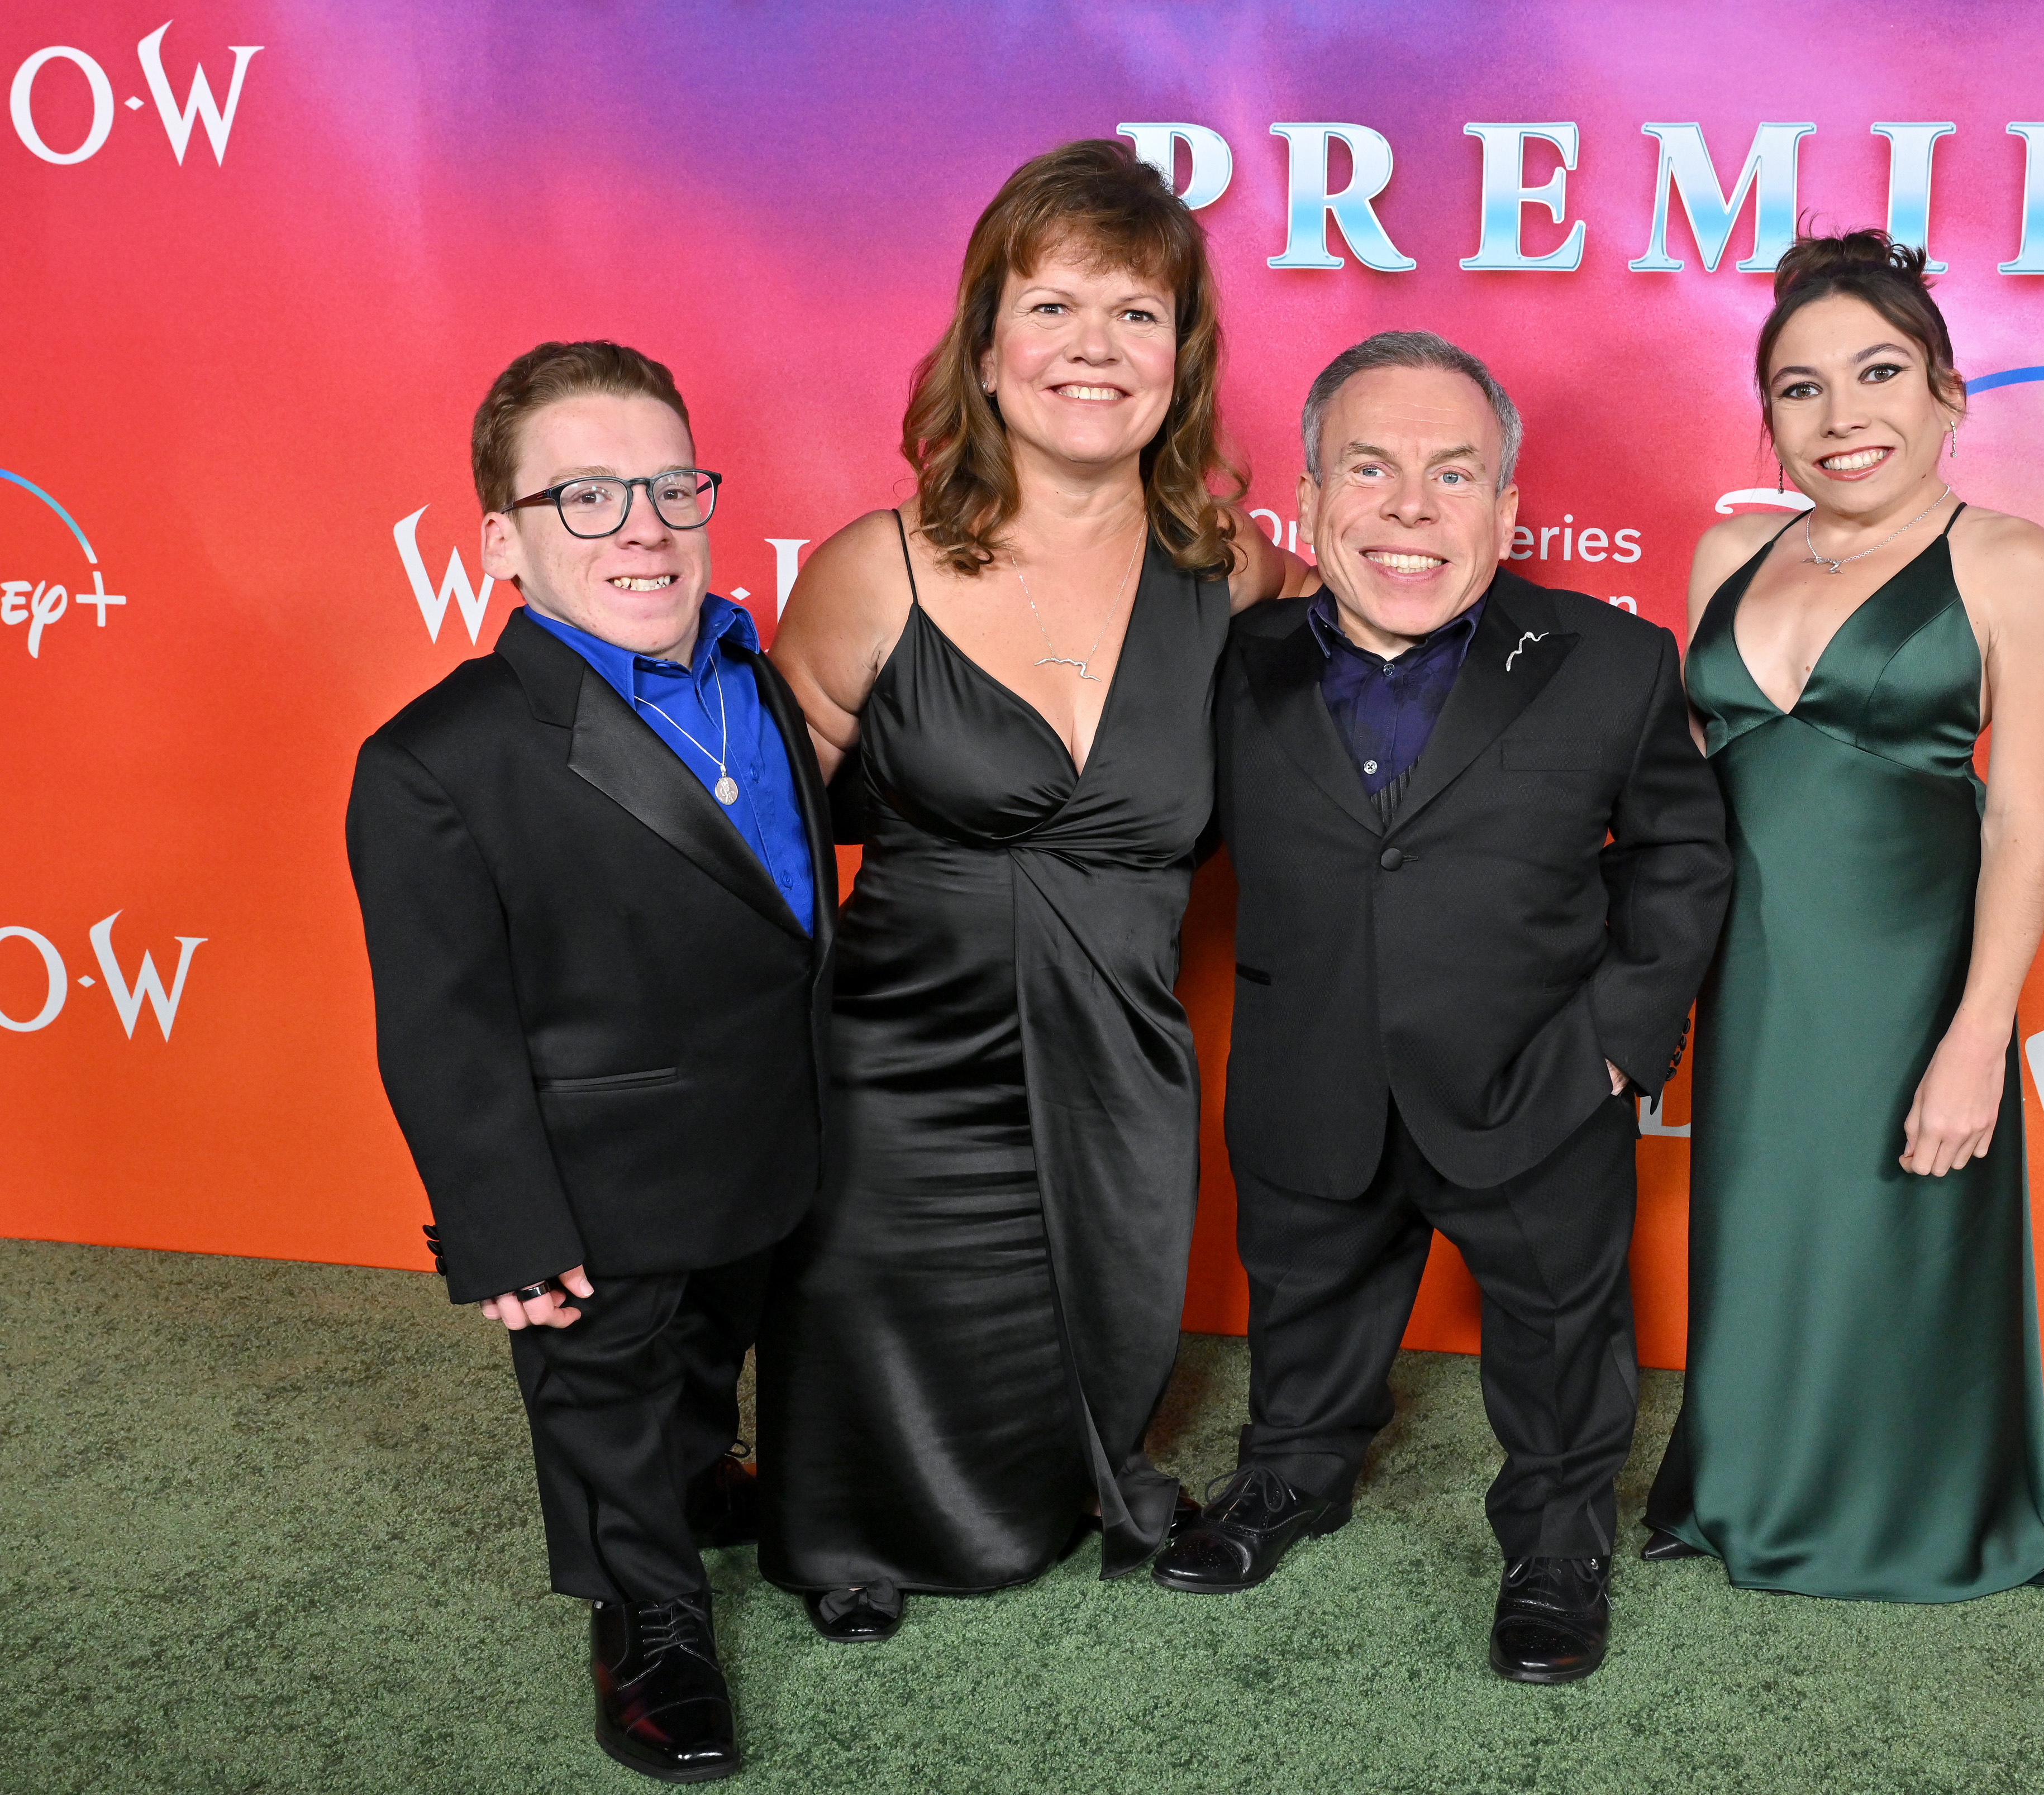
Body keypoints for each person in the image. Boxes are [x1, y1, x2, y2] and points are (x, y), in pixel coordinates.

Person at [758, 140, 1309, 1643]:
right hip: (893, 1040)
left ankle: (1063, 1478)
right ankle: (851, 1526)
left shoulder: (1237, 578)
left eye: (1137, 315)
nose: (1093, 347)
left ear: (1182, 360)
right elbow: (759, 834)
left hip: (1117, 1045)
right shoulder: (877, 567)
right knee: (870, 1282)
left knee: (1096, 1305)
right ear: (987, 346)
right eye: (1052, 304)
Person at [1153, 331, 1732, 1684]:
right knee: (1308, 1294)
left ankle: (1555, 1541)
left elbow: (1682, 854)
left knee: (1558, 1329)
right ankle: (1293, 1475)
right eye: (1371, 466)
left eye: (1452, 472)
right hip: (1312, 1067)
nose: (1412, 504)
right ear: (1306, 498)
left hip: (1537, 1076)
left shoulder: (1612, 659)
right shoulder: (1234, 666)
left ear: (1506, 508)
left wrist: (1617, 1047)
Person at [346, 341, 837, 1782]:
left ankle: (700, 1477)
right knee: (604, 1395)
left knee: (707, 1352)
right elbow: (441, 1022)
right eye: (586, 494)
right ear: (502, 537)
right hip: (593, 1173)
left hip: (767, 1133)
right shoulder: (436, 758)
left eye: (670, 483)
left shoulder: (758, 666)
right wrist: (503, 1223)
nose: (642, 522)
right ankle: (647, 1618)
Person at [1639, 230, 2044, 1601]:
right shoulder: (1727, 549)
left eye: (1880, 372)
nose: (1844, 417)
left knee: (1905, 1232)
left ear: (1949, 392)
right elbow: (1689, 795)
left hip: (1913, 978)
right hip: (1757, 974)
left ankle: (1922, 1508)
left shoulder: (2009, 557)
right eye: (1801, 387)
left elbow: (2019, 818)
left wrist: (1977, 1035)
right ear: (1769, 418)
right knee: (1767, 1228)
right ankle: (1748, 1485)